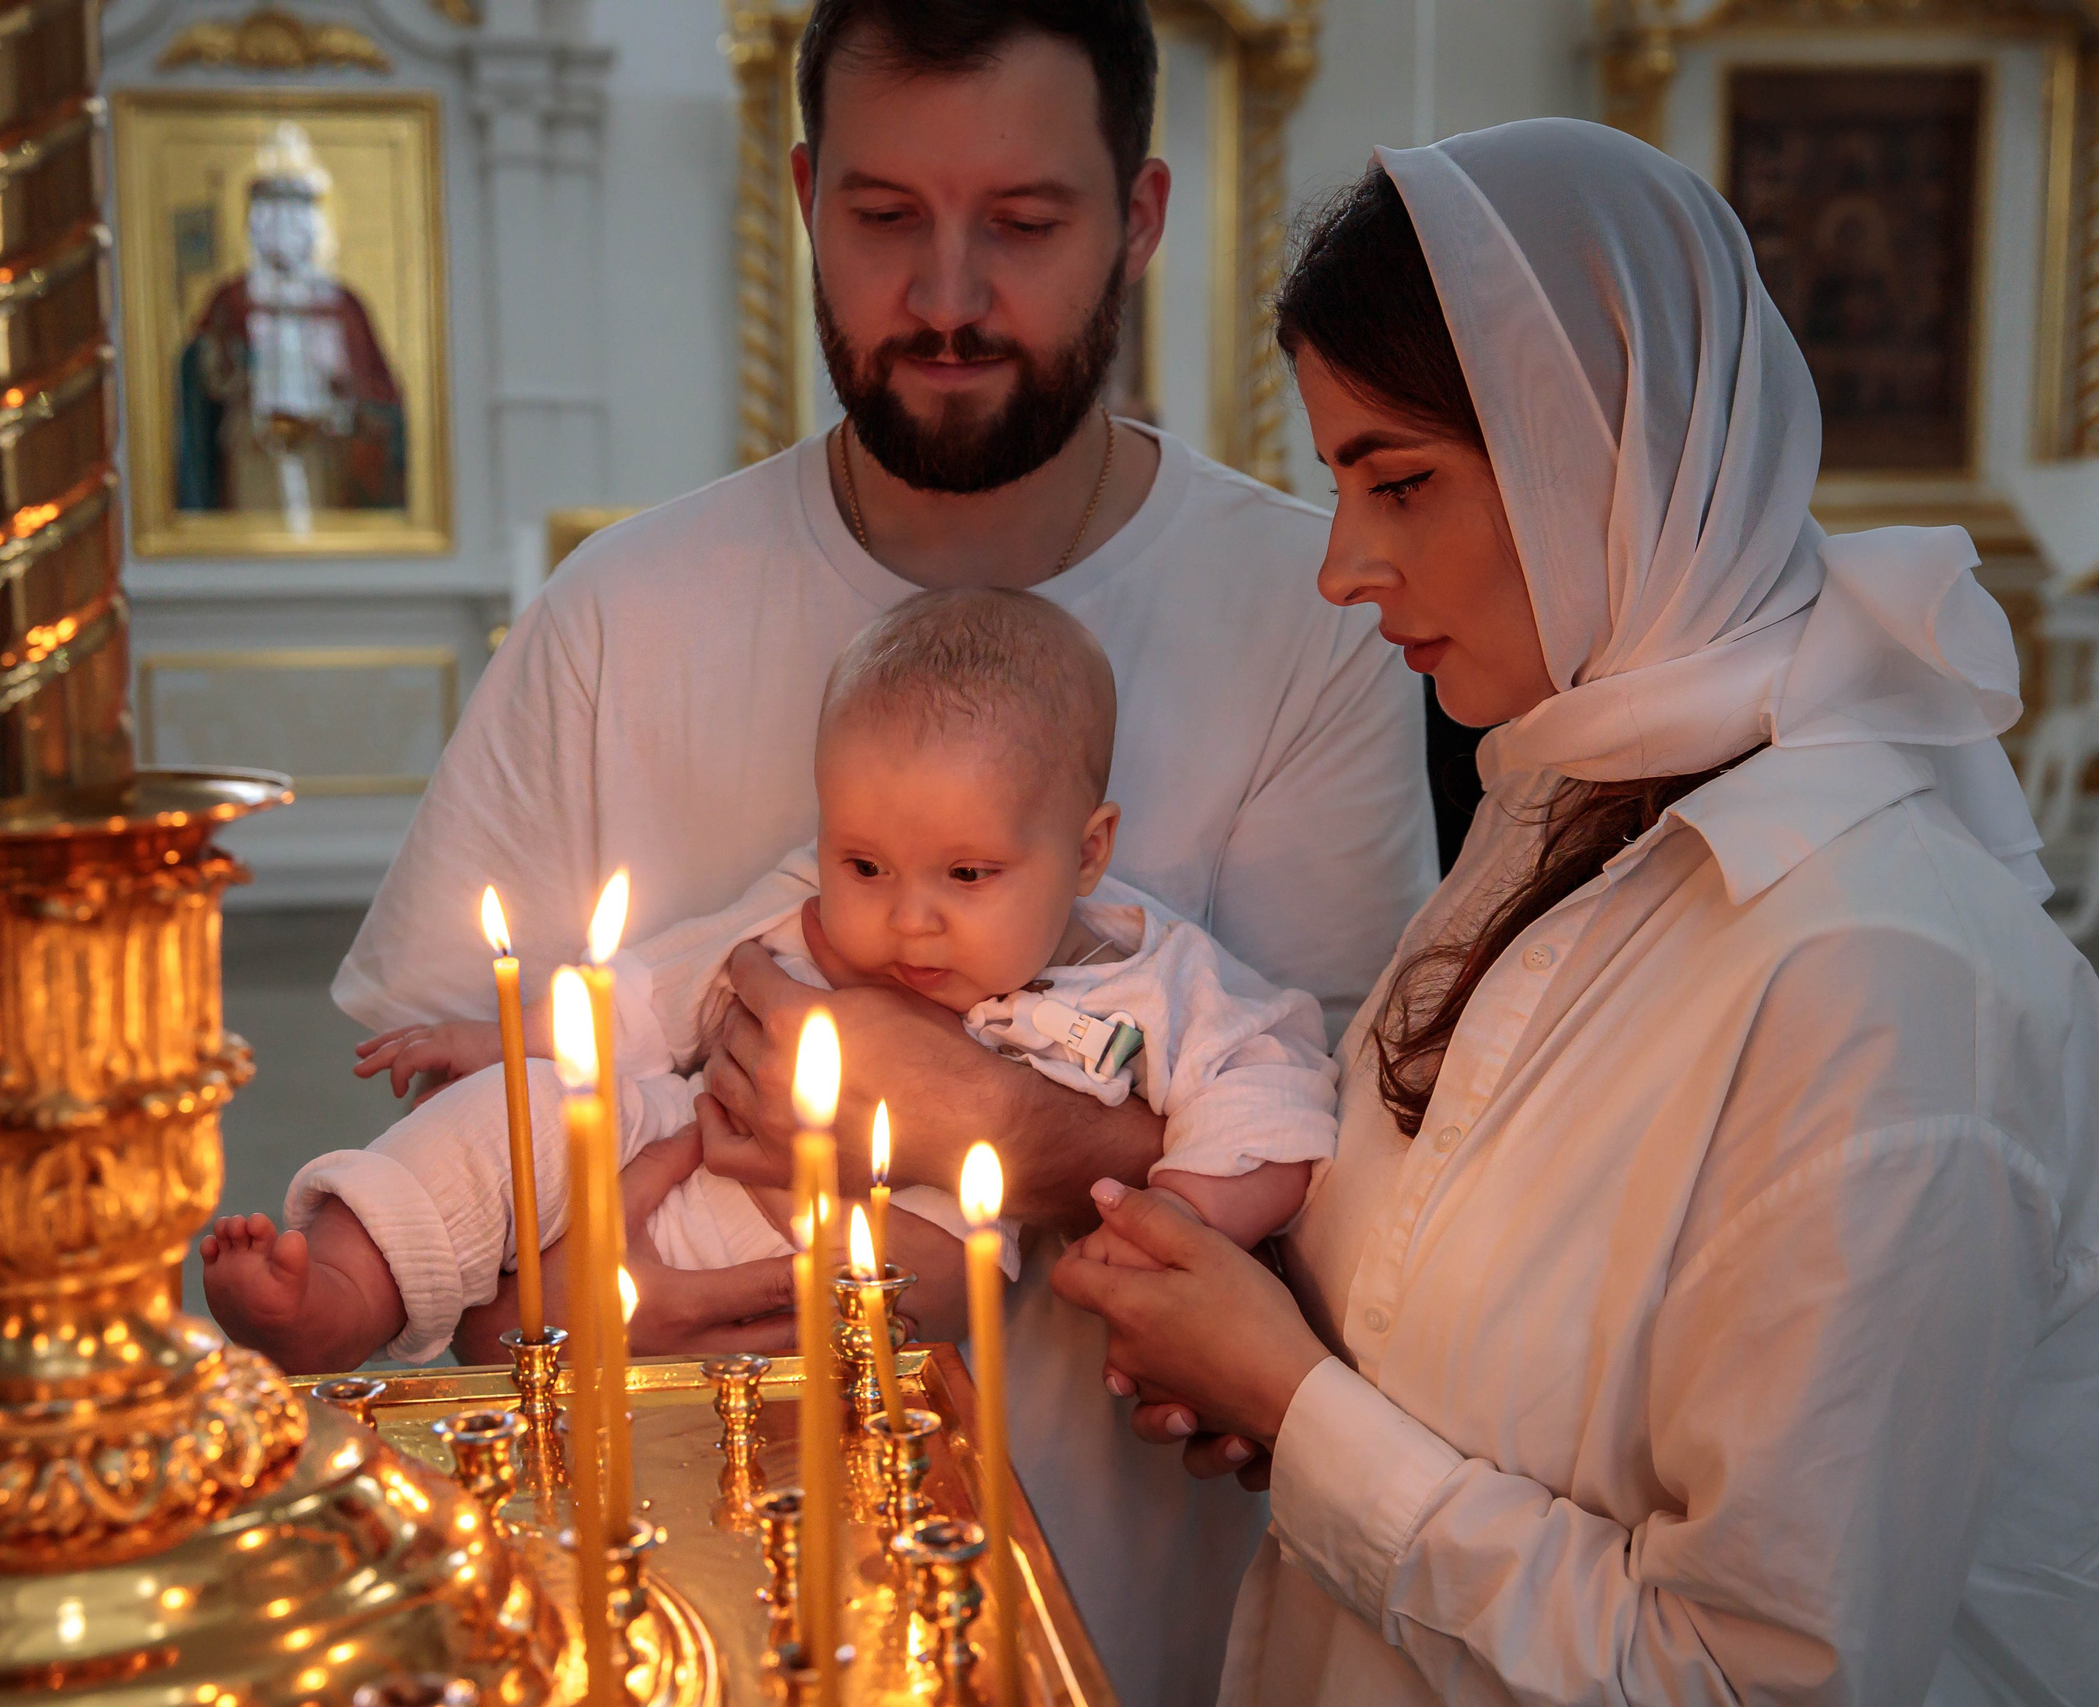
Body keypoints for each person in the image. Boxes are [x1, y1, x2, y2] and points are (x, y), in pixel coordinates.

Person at [321, 4, 1433, 1699]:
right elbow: (449, 1174)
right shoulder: (619, 615)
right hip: (675, 1604)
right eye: (886, 215)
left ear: (1137, 217)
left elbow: (1372, 1206)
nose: (948, 293)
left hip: (1122, 1618)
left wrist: (1011, 1126)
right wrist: (534, 1308)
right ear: (804, 198)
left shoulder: (1316, 611)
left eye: (1026, 222)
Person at [1052, 119, 2099, 1704]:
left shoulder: (1885, 981)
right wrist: (1261, 1345)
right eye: (1340, 483)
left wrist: (1301, 1410)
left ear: (1605, 463)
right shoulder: (1565, 807)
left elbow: (1748, 1673)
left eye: (1401, 482)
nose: (1344, 567)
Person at [201, 589, 1335, 1371]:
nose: (908, 916)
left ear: (1087, 851)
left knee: (926, 1310)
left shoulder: (1150, 978)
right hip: (683, 1168)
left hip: (875, 1279)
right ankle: (345, 1287)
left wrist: (1183, 1217)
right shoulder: (798, 912)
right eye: (865, 865)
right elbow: (655, 991)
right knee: (529, 1108)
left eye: (968, 874)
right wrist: (514, 1035)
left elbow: (1273, 1088)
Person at [176, 122, 407, 523]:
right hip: (252, 451)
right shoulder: (232, 300)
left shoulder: (343, 304)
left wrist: (347, 396)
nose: (283, 225)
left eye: (297, 213)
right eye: (269, 212)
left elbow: (382, 397)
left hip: (327, 452)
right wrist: (225, 360)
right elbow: (201, 380)